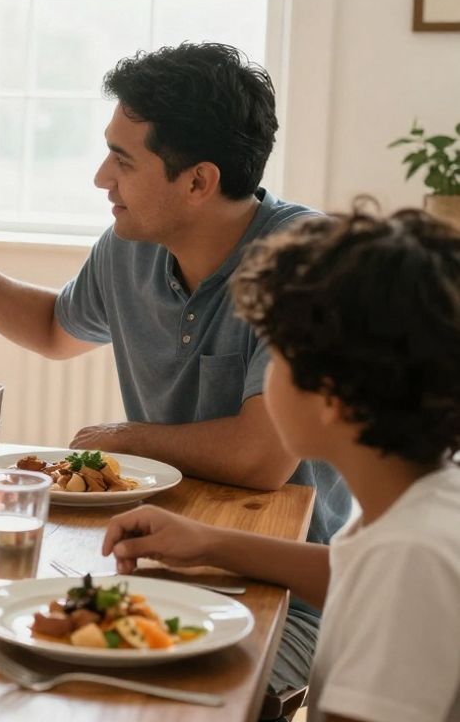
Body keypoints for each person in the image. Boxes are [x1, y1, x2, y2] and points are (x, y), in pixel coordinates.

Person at [0, 42, 353, 702]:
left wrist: (125, 437)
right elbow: (53, 329)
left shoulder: (301, 263)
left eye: (123, 160)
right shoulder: (131, 246)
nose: (102, 177)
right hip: (165, 557)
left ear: (198, 182)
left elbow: (258, 460)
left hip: (289, 594)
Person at [103, 210, 460, 722]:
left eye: (276, 360)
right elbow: (355, 575)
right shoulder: (423, 498)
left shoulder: (410, 557)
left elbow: (388, 577)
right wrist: (211, 543)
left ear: (332, 397)